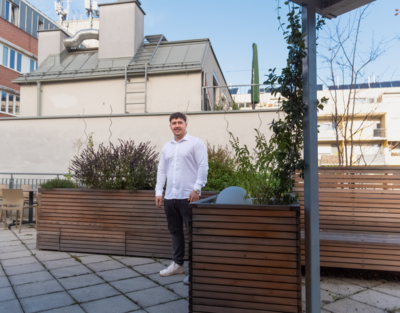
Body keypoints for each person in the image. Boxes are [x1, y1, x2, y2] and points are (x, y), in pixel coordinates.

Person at [155, 112, 208, 277]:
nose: (177, 125)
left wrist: (197, 189)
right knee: (175, 232)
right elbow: (162, 170)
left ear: (186, 124)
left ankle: (196, 270)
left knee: (193, 232)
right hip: (170, 197)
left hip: (188, 196)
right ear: (170, 125)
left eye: (180, 122)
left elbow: (203, 167)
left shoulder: (195, 143)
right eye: (173, 123)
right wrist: (159, 191)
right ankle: (178, 264)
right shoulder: (166, 146)